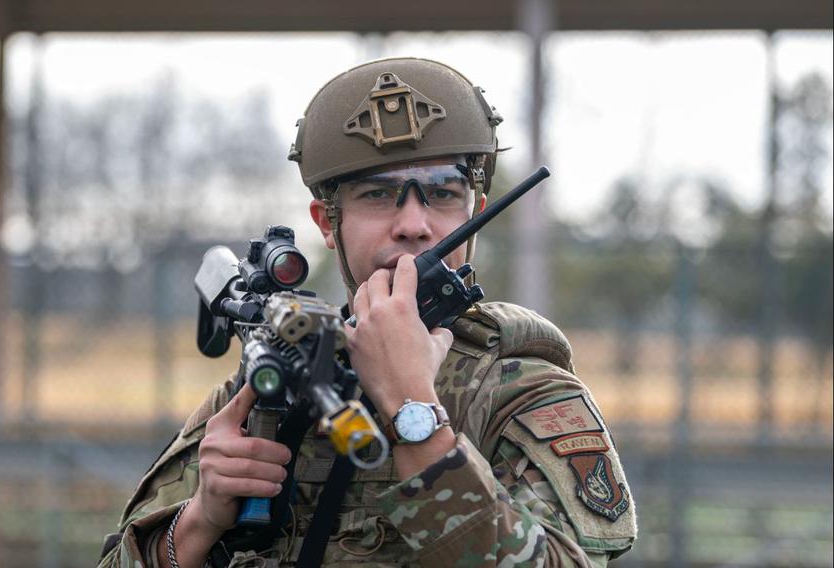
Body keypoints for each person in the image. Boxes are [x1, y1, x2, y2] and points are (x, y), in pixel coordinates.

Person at [98, 57, 638, 568]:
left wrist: (416, 416)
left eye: (442, 193)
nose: (412, 224)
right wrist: (199, 523)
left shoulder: (522, 393)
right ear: (327, 223)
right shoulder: (267, 387)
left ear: (473, 210)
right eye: (379, 196)